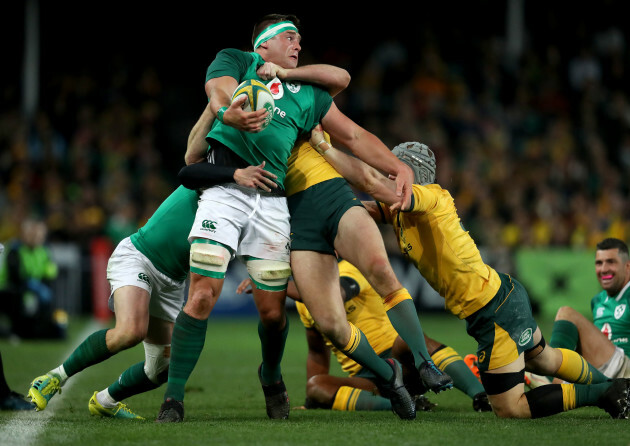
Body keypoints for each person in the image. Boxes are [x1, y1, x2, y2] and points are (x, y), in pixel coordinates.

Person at [159, 13, 434, 423]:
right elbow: (219, 92)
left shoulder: (307, 93)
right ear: (263, 44)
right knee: (201, 295)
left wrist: (399, 167)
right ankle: (173, 400)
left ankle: (271, 376)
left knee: (272, 313)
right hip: (224, 192)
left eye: (300, 40)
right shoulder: (237, 61)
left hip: (272, 201)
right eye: (290, 37)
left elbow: (354, 135)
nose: (298, 44)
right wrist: (226, 112)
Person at [314, 131, 630, 419]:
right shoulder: (401, 212)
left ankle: (603, 393)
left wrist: (324, 147)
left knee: (509, 408)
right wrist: (331, 207)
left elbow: (370, 184)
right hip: (501, 294)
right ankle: (617, 388)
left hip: (492, 311)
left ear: (408, 173)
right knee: (543, 360)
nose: (384, 174)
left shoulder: (429, 197)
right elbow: (364, 206)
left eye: (390, 169)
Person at [26, 104, 278, 419]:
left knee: (161, 368)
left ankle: (105, 400)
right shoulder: (214, 180)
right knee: (130, 331)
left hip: (173, 281)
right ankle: (53, 377)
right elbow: (190, 162)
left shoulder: (250, 212)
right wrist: (214, 108)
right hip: (141, 257)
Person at [237, 259, 491, 413]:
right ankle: (402, 402)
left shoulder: (350, 269)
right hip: (369, 378)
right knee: (316, 386)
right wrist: (311, 399)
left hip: (400, 359)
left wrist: (275, 283)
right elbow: (317, 351)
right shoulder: (304, 305)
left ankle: (480, 395)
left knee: (407, 341)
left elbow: (335, 295)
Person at [542, 238, 630, 381]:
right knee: (537, 347)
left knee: (567, 313)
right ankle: (553, 381)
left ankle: (552, 385)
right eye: (599, 263)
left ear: (627, 267)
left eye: (611, 262)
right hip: (604, 369)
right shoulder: (598, 301)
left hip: (624, 371)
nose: (604, 269)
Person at [0, 219, 66, 339]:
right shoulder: (15, 249)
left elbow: (50, 271)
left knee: (48, 297)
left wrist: (39, 284)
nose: (35, 237)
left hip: (32, 286)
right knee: (22, 298)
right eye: (31, 233)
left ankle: (47, 328)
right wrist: (32, 285)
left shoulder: (43, 250)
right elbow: (14, 276)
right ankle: (18, 331)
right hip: (8, 289)